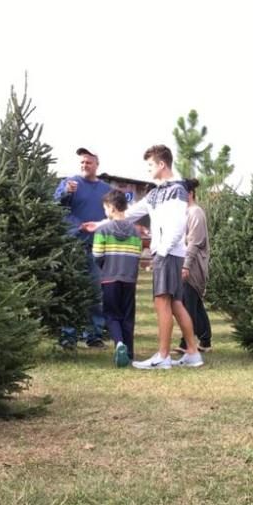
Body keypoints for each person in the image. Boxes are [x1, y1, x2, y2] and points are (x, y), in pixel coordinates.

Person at [83, 145, 202, 370]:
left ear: (161, 164)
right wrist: (100, 224)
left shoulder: (176, 190)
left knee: (162, 302)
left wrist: (163, 252)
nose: (147, 170)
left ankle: (163, 356)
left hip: (167, 253)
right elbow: (127, 214)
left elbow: (178, 226)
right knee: (176, 303)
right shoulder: (156, 193)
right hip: (168, 253)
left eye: (150, 165)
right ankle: (193, 353)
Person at [53, 147, 111, 347]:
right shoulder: (70, 184)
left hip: (97, 246)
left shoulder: (106, 190)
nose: (85, 165)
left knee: (96, 292)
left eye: (89, 162)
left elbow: (113, 216)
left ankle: (93, 335)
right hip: (72, 245)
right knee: (70, 290)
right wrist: (64, 192)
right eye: (82, 162)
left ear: (97, 164)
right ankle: (67, 336)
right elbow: (54, 206)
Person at [92, 190, 142, 367]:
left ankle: (119, 343)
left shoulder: (102, 230)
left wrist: (106, 267)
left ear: (112, 208)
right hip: (129, 279)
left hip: (109, 279)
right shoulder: (136, 232)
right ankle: (129, 352)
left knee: (112, 314)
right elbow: (137, 255)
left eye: (105, 208)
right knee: (128, 316)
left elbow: (97, 255)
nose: (105, 211)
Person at [178, 178, 211, 353]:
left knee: (188, 304)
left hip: (193, 266)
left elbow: (194, 242)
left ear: (190, 194)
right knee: (194, 303)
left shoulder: (195, 213)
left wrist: (185, 266)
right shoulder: (185, 213)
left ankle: (186, 342)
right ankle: (205, 340)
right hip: (186, 264)